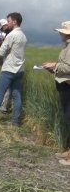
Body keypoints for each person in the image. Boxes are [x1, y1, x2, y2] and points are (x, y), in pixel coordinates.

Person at [42, 21, 70, 165]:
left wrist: (55, 65)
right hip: (64, 86)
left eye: (62, 31)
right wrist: (53, 69)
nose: (60, 33)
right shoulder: (67, 46)